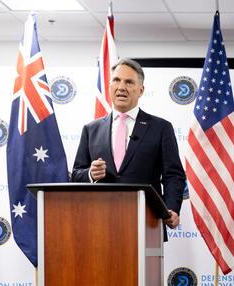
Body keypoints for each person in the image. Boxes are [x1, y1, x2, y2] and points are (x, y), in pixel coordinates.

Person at [72, 58, 186, 228]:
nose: (121, 87)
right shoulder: (91, 129)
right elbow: (75, 174)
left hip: (147, 222)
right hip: (98, 222)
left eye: (129, 82)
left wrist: (171, 208)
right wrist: (90, 174)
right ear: (109, 86)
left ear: (141, 90)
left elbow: (173, 175)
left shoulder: (161, 128)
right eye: (116, 80)